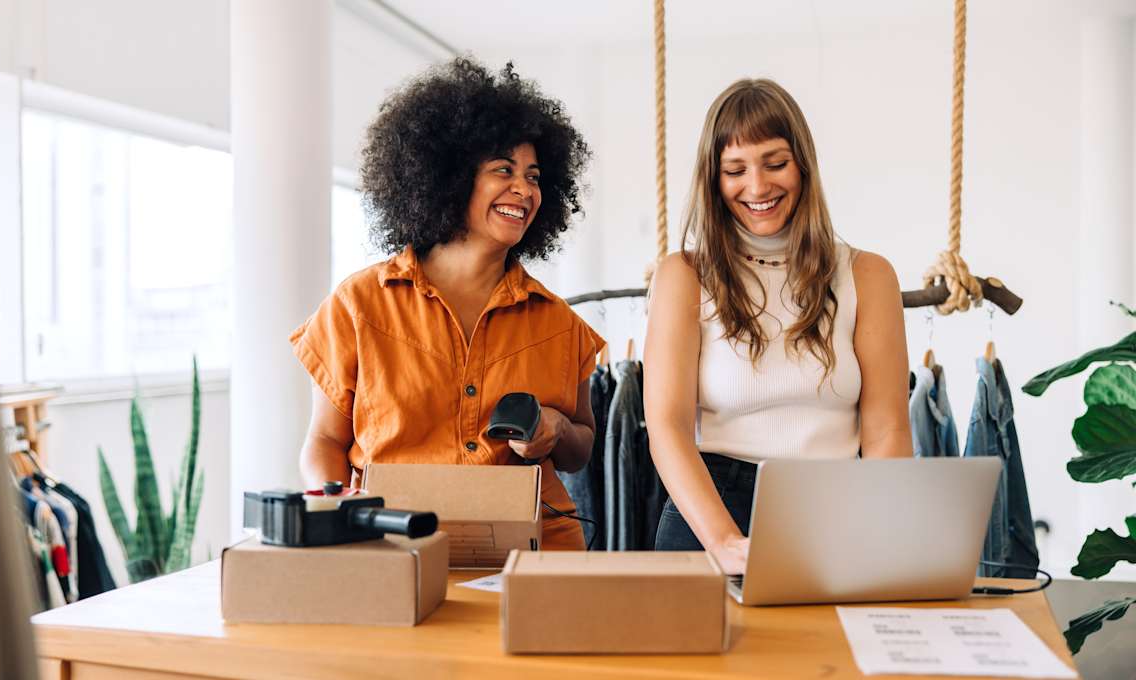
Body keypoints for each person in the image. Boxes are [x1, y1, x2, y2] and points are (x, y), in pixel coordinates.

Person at [291, 58, 600, 550]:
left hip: (532, 552)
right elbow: (326, 442)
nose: (524, 190)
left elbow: (580, 448)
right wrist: (342, 522)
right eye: (504, 170)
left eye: (535, 176)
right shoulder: (358, 305)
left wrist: (557, 428)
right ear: (451, 177)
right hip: (393, 546)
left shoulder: (559, 323)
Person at [644, 78, 911, 573]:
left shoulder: (868, 275)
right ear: (713, 178)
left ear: (803, 165)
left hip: (838, 502)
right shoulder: (683, 276)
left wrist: (878, 527)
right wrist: (724, 541)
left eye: (775, 163)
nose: (758, 186)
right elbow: (667, 427)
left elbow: (889, 429)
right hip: (713, 506)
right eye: (735, 170)